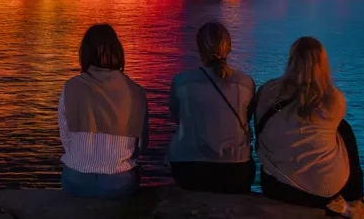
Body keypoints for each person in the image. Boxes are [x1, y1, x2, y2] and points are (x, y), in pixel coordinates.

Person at [254, 37, 364, 218]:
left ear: (291, 59)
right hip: (324, 193)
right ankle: (357, 199)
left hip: (276, 187)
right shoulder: (334, 100)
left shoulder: (268, 90)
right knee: (344, 129)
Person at [58, 24, 149, 199]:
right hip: (119, 184)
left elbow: (66, 139)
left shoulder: (70, 87)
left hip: (76, 179)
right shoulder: (136, 92)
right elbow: (141, 145)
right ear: (118, 52)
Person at [167, 22, 256, 193]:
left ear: (199, 50)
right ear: (229, 48)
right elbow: (247, 118)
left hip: (189, 170)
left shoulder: (181, 82)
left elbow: (176, 118)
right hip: (235, 172)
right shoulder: (246, 84)